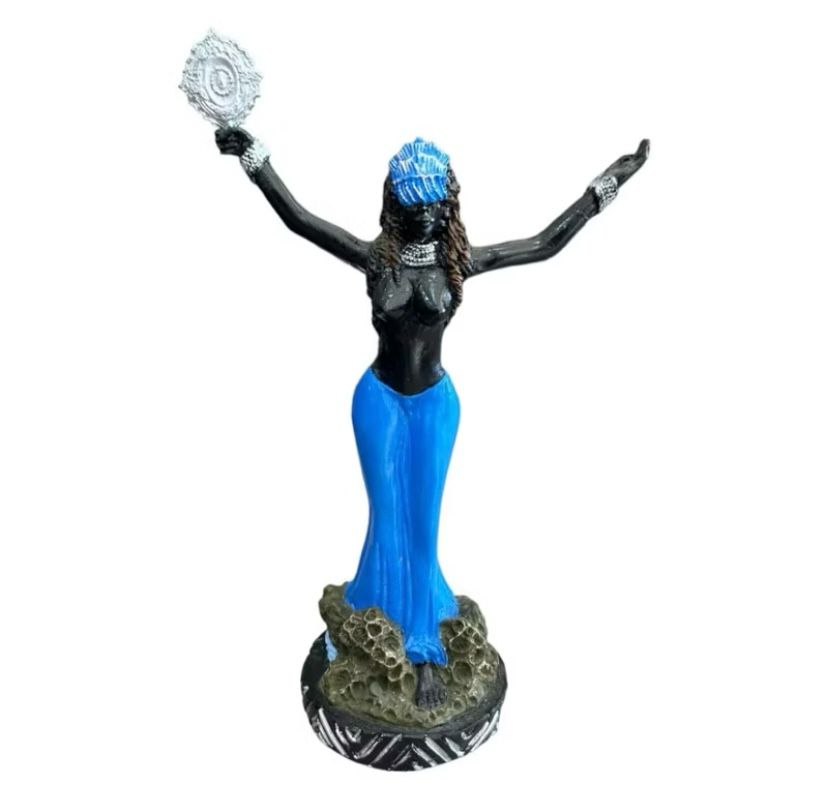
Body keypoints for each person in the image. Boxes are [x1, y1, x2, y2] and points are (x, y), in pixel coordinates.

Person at [215, 130, 649, 706]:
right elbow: (299, 219)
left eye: (434, 206)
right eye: (413, 206)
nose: (424, 217)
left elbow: (545, 243)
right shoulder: (375, 260)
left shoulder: (458, 263)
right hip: (378, 401)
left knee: (424, 523)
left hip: (435, 406)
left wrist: (609, 183)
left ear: (448, 206)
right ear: (395, 205)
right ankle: (373, 610)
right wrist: (252, 156)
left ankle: (422, 646)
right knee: (387, 515)